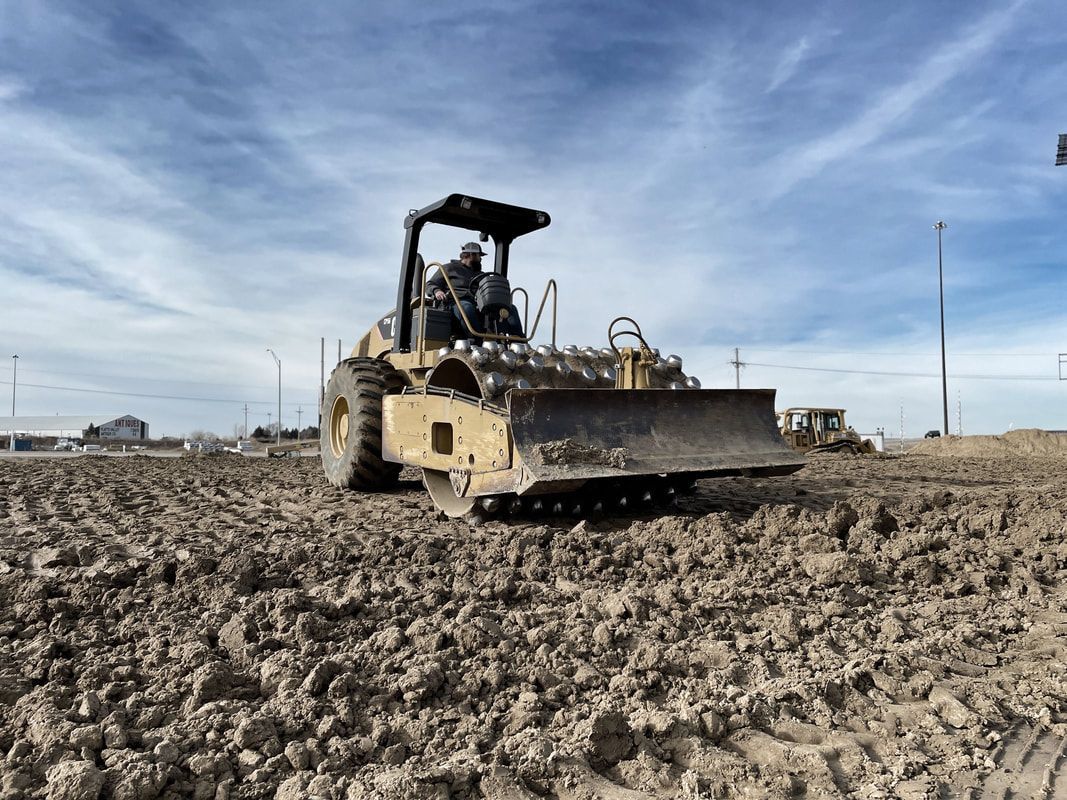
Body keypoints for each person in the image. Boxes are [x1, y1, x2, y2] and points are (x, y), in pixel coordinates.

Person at [427, 242, 523, 338]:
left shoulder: (480, 274)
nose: (480, 259)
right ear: (471, 255)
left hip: (479, 303)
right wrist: (437, 291)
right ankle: (477, 339)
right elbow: (430, 284)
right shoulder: (448, 268)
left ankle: (518, 341)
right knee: (467, 307)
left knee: (509, 308)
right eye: (479, 256)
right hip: (455, 302)